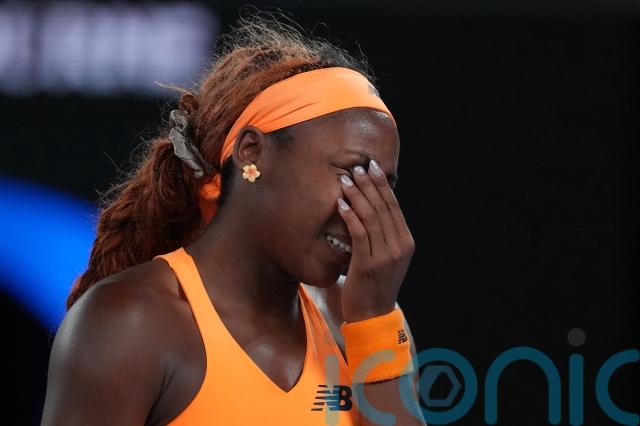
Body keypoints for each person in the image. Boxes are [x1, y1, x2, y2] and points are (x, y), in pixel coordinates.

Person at [42, 11, 425, 426]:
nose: (369, 207)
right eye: (351, 172)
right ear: (251, 152)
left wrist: (373, 321)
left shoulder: (365, 317)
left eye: (382, 185)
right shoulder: (131, 320)